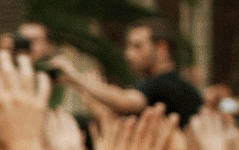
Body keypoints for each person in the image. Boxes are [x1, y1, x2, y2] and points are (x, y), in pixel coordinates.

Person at [50, 18, 203, 125]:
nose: (128, 54)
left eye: (138, 46)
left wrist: (75, 77)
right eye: (129, 46)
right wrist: (85, 88)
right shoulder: (151, 84)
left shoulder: (168, 85)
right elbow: (113, 123)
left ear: (162, 48)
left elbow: (124, 101)